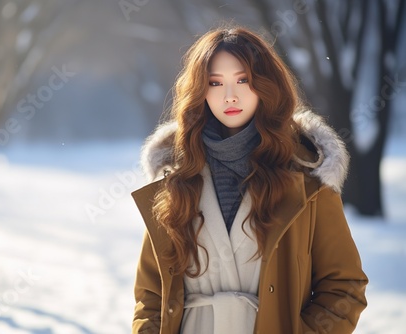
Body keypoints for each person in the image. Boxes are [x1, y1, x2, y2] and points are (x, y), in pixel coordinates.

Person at [131, 25, 368, 334]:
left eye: (243, 80)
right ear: (200, 91)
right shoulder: (175, 175)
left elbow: (344, 285)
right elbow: (150, 293)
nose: (230, 95)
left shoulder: (307, 176)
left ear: (266, 84)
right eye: (215, 83)